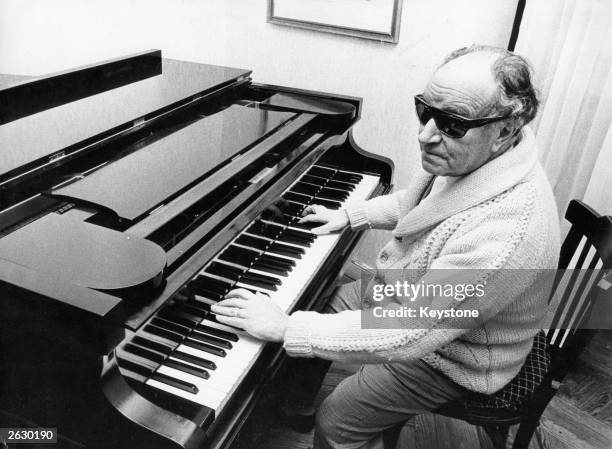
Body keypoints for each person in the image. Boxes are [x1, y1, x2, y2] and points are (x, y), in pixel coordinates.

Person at [211, 44, 560, 449]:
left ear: (504, 130)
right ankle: (293, 405)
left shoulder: (505, 234)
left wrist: (287, 327)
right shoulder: (470, 156)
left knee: (338, 419)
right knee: (322, 299)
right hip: (417, 301)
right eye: (425, 111)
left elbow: (410, 331)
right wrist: (351, 214)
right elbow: (415, 205)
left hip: (455, 355)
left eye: (451, 124)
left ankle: (320, 417)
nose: (425, 134)